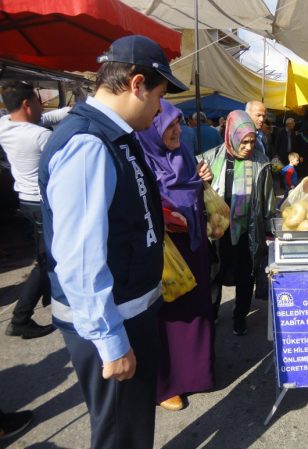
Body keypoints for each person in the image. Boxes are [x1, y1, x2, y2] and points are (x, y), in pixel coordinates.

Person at [38, 35, 188, 449]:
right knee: (121, 435)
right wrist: (111, 341)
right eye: (158, 96)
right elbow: (79, 259)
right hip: (112, 318)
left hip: (128, 308)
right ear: (137, 84)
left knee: (133, 428)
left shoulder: (114, 134)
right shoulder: (88, 142)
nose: (160, 108)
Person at [136, 99, 215, 412]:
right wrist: (163, 214)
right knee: (169, 316)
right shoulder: (142, 159)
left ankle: (196, 374)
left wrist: (201, 179)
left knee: (196, 310)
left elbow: (190, 188)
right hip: (166, 251)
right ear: (153, 128)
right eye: (168, 125)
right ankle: (167, 384)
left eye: (178, 123)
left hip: (193, 244)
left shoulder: (183, 153)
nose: (176, 130)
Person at [0, 81, 71, 339]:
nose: (43, 106)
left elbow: (46, 116)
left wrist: (70, 110)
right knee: (46, 261)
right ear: (27, 104)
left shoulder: (5, 125)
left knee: (46, 256)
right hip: (42, 203)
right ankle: (21, 317)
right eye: (38, 101)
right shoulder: (40, 137)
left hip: (25, 202)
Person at [198, 110, 275, 336]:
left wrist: (270, 229)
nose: (249, 147)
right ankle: (211, 315)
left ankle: (239, 317)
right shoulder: (210, 158)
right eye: (244, 142)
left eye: (252, 141)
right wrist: (202, 179)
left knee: (245, 278)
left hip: (246, 232)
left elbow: (268, 200)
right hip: (216, 231)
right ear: (231, 136)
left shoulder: (261, 163)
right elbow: (193, 188)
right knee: (213, 276)